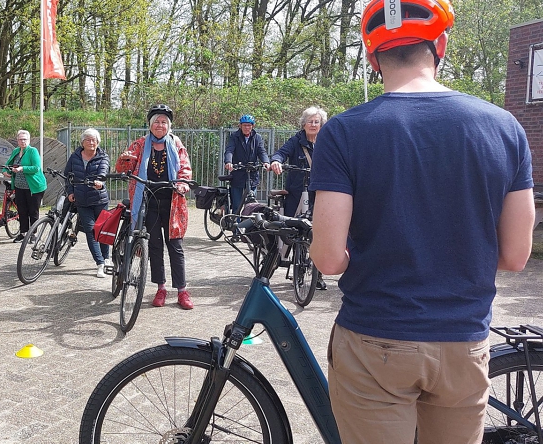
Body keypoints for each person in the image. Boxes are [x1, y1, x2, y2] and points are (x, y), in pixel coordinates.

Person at [309, 0, 535, 442]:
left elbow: (329, 259)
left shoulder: (345, 131)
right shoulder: (505, 127)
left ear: (372, 57)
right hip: (462, 340)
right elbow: (515, 256)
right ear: (441, 45)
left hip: (376, 339)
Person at [116, 104, 194, 309]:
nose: (160, 125)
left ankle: (182, 291)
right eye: (156, 121)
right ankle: (161, 288)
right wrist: (125, 161)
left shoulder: (176, 143)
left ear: (169, 126)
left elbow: (185, 167)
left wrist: (183, 183)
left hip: (173, 202)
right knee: (155, 246)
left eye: (164, 122)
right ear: (150, 125)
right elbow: (123, 167)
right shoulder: (140, 144)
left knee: (175, 246)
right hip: (148, 201)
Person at [64, 128, 111, 278]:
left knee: (102, 230)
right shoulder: (75, 157)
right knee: (91, 231)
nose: (91, 142)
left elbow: (103, 171)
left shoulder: (103, 156)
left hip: (100, 200)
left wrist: (100, 182)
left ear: (98, 142)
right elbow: (68, 176)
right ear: (82, 142)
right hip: (82, 201)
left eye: (94, 140)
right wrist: (70, 192)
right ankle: (100, 263)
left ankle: (107, 258)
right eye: (88, 140)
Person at [268, 106, 327, 217]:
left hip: (319, 190)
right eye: (310, 122)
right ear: (304, 124)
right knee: (291, 222)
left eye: (316, 122)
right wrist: (276, 161)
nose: (313, 125)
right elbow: (281, 153)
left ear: (321, 125)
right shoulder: (295, 141)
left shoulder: (326, 143)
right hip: (296, 191)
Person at [3, 130, 47, 242]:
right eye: (20, 139)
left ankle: (33, 234)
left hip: (33, 187)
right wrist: (5, 171)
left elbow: (36, 168)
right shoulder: (16, 151)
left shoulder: (33, 151)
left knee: (33, 211)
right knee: (22, 210)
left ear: (29, 140)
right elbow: (8, 164)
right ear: (17, 140)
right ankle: (23, 233)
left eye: (25, 139)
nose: (23, 141)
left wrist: (22, 168)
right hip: (19, 186)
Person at [223, 114, 269, 215]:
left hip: (252, 175)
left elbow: (262, 151)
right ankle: (236, 224)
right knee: (237, 205)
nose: (247, 127)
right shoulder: (234, 137)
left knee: (252, 206)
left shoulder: (257, 137)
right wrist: (228, 162)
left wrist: (266, 162)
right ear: (240, 126)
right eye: (244, 125)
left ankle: (249, 225)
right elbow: (230, 150)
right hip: (238, 173)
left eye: (249, 125)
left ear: (253, 126)